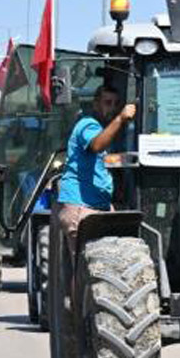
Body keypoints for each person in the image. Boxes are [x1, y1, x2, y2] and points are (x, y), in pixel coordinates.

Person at [56, 83, 135, 250]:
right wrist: (120, 118)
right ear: (95, 104)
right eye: (108, 103)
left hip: (99, 205)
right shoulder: (88, 124)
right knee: (90, 266)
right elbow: (96, 145)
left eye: (116, 104)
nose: (112, 108)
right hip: (82, 207)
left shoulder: (106, 131)